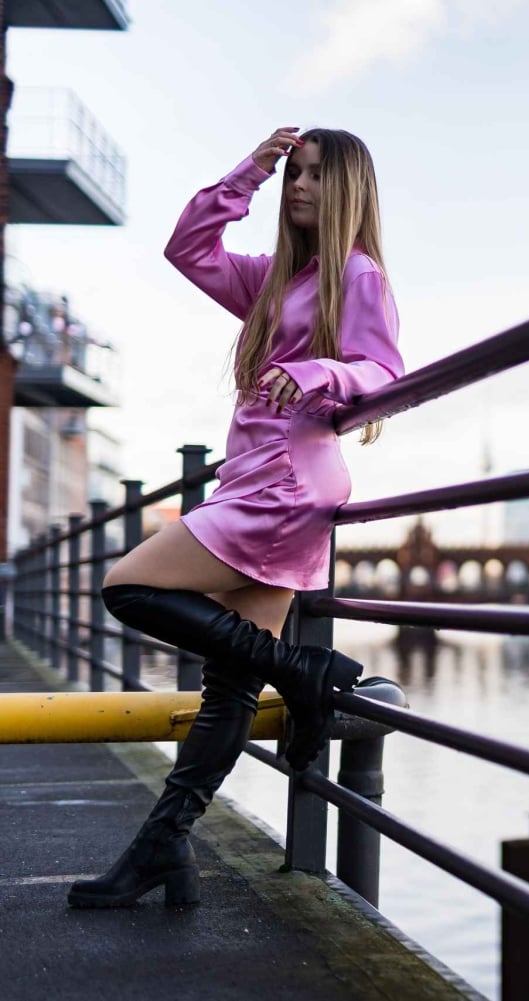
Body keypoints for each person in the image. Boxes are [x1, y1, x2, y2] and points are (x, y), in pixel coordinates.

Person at [67, 127, 405, 909]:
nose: (298, 187)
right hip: (259, 483)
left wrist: (316, 370)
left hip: (285, 486)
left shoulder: (358, 276)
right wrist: (249, 169)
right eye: (294, 173)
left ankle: (303, 669)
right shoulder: (273, 279)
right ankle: (164, 849)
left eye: (314, 176)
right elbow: (188, 247)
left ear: (348, 186)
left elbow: (384, 370)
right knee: (230, 688)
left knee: (127, 585)